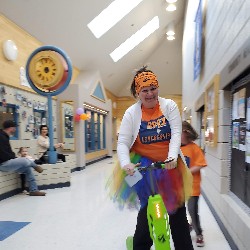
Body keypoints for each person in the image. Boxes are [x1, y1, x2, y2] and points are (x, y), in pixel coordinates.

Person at [117, 66, 194, 250]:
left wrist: (171, 157)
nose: (150, 93)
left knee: (178, 219)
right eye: (145, 90)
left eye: (153, 88)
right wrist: (126, 163)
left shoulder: (169, 106)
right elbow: (123, 143)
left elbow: (176, 132)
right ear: (138, 92)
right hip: (145, 173)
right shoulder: (131, 113)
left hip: (170, 169)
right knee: (146, 217)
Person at [0, 120, 46, 196]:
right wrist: (14, 158)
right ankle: (35, 165)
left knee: (27, 168)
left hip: (8, 162)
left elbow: (8, 153)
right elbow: (3, 154)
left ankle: (33, 190)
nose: (15, 129)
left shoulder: (5, 136)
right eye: (14, 127)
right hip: (3, 164)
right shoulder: (1, 137)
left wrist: (14, 158)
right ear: (10, 128)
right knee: (25, 160)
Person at [181, 121, 207, 247]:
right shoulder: (175, 148)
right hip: (178, 186)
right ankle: (187, 225)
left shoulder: (194, 148)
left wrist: (187, 172)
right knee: (178, 210)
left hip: (193, 186)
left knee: (192, 210)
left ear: (186, 133)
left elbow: (201, 164)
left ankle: (199, 233)